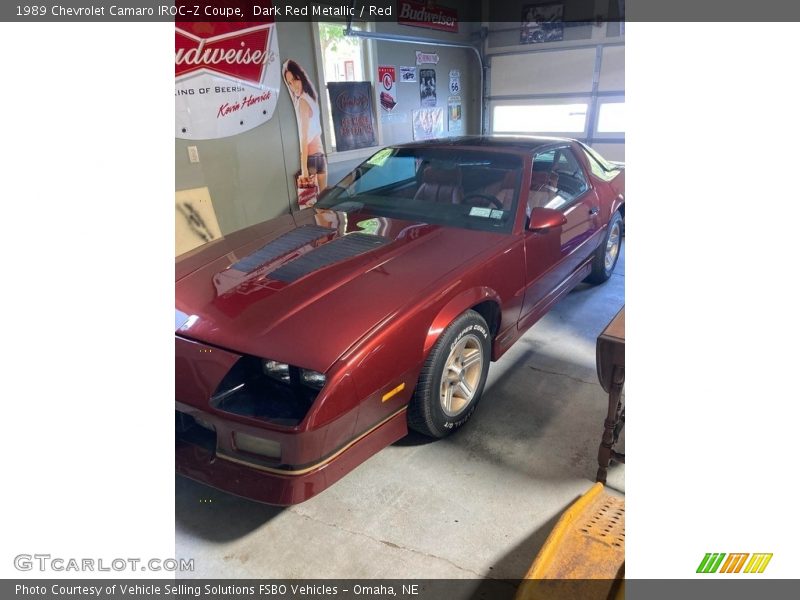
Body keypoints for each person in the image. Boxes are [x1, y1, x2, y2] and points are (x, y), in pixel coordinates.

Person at [283, 60, 327, 192]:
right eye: (289, 83)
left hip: (311, 158)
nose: (292, 86)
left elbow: (304, 137)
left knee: (314, 203)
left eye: (294, 80)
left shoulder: (302, 101)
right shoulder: (311, 97)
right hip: (320, 156)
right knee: (324, 199)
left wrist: (304, 169)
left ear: (300, 77)